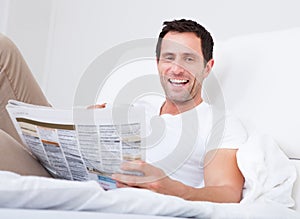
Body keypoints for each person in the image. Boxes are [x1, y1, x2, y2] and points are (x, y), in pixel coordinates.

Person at [0, 19, 247, 203]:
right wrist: (82, 124)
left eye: (189, 59)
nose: (176, 69)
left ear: (207, 67)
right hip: (59, 166)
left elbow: (227, 192)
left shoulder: (218, 122)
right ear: (158, 64)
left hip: (74, 189)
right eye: (169, 58)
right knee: (3, 48)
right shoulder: (140, 108)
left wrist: (171, 187)